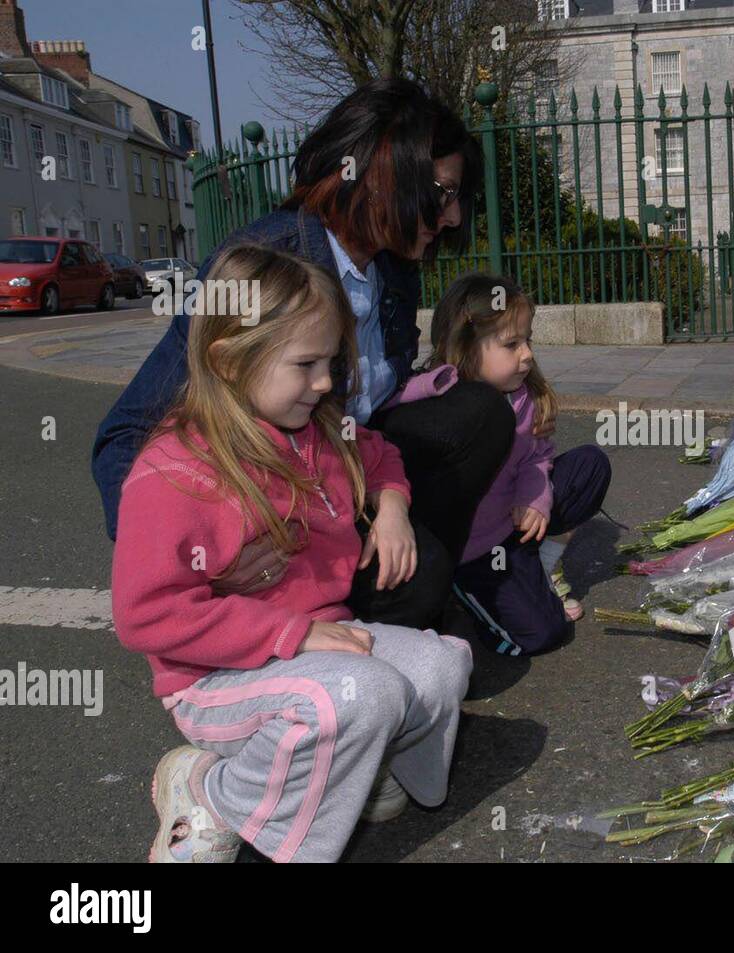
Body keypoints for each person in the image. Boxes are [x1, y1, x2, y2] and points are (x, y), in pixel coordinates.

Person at [93, 77, 522, 630]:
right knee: (422, 577)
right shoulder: (272, 264)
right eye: (443, 192)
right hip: (278, 504)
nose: (455, 216)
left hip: (340, 470)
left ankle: (402, 576)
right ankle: (322, 620)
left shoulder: (393, 269)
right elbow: (125, 433)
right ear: (377, 176)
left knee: (481, 414)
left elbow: (368, 417)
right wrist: (204, 558)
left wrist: (393, 504)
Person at [112, 245, 473, 863]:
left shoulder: (319, 430)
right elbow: (145, 614)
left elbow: (380, 455)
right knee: (360, 698)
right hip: (213, 679)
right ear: (229, 362)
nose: (327, 381)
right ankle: (209, 791)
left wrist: (391, 507)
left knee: (442, 668)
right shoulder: (173, 472)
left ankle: (355, 764)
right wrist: (293, 634)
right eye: (306, 363)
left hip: (317, 647)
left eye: (331, 360)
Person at [386, 273, 610, 655]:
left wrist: (535, 498)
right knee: (544, 635)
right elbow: (389, 415)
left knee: (590, 464)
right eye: (512, 344)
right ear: (466, 346)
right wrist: (433, 384)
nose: (528, 354)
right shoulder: (441, 402)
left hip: (515, 529)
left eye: (528, 340)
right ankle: (461, 596)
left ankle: (543, 561)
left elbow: (537, 455)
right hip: (478, 550)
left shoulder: (520, 396)